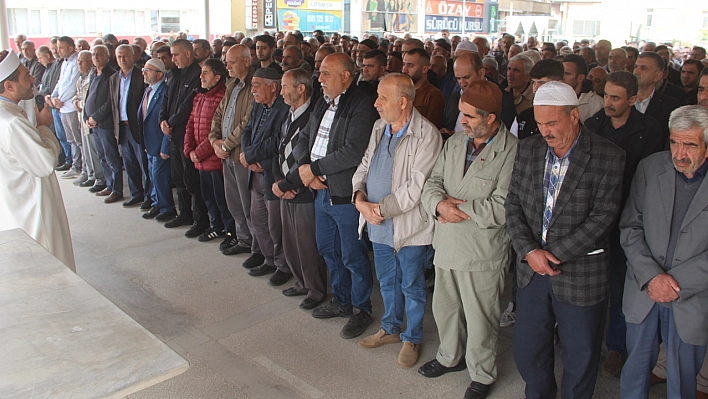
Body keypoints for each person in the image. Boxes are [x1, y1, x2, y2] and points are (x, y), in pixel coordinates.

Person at [504, 81, 625, 399]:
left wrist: (551, 254)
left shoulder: (607, 156)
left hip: (581, 275)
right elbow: (512, 204)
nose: (545, 130)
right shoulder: (528, 149)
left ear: (574, 115)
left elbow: (602, 219)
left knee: (580, 358)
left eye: (552, 122)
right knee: (528, 351)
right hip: (532, 271)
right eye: (541, 123)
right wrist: (530, 251)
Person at [419, 79, 518, 399]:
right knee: (445, 308)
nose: (462, 121)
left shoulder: (512, 151)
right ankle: (450, 357)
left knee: (481, 318)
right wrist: (439, 205)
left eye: (470, 116)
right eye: (462, 114)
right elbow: (432, 183)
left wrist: (458, 208)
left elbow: (503, 206)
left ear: (491, 118)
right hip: (447, 243)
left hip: (482, 252)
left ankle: (482, 374)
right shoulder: (455, 143)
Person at [352, 74, 442, 368]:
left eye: (382, 98)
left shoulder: (427, 135)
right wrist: (359, 198)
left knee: (412, 285)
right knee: (387, 280)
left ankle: (412, 337)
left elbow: (416, 188)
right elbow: (364, 165)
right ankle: (391, 329)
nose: (376, 103)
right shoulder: (379, 127)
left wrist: (378, 209)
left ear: (402, 102)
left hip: (409, 226)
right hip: (377, 222)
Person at [620, 105, 708, 399]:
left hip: (691, 297)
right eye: (674, 142)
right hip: (644, 289)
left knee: (683, 381)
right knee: (634, 370)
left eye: (690, 144)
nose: (679, 154)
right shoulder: (651, 167)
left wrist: (675, 284)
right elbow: (630, 227)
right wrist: (653, 277)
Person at [583, 71, 665, 377]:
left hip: (628, 215)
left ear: (633, 99)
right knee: (592, 285)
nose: (608, 102)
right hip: (594, 215)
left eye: (616, 97)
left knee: (620, 286)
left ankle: (617, 346)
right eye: (605, 95)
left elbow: (650, 179)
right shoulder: (593, 125)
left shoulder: (649, 129)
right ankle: (585, 340)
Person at [293, 53, 378, 339]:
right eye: (320, 73)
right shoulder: (323, 99)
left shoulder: (361, 104)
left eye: (326, 73)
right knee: (328, 249)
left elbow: (352, 151)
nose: (320, 79)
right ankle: (341, 301)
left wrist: (313, 169)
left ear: (345, 76)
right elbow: (303, 136)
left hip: (343, 193)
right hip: (320, 190)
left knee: (352, 255)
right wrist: (307, 169)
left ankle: (361, 309)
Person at [0, 50, 75, 271]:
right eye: (25, 76)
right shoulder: (11, 122)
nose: (33, 79)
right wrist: (43, 126)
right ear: (9, 86)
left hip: (17, 204)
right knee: (51, 270)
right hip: (33, 210)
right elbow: (44, 163)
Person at [271, 68, 327, 310]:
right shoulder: (288, 113)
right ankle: (300, 282)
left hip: (301, 190)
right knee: (291, 241)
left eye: (285, 86)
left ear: (301, 88)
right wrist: (278, 181)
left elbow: (305, 160)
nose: (281, 91)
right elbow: (279, 149)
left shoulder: (312, 116)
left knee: (307, 244)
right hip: (285, 187)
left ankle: (315, 289)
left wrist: (285, 185)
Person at [209, 45, 261, 262]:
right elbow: (219, 114)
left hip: (240, 154)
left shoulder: (253, 86)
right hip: (226, 153)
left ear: (246, 62)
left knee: (248, 204)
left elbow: (247, 123)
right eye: (226, 61)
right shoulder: (232, 85)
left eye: (231, 62)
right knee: (233, 201)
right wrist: (214, 140)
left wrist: (225, 145)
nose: (227, 66)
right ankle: (243, 240)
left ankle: (257, 248)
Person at [240, 67, 291, 285]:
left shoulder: (284, 108)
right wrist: (247, 155)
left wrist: (250, 155)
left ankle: (283, 265)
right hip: (255, 172)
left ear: (273, 86)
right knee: (258, 219)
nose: (252, 90)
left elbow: (277, 141)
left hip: (271, 173)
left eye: (256, 85)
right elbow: (247, 131)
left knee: (275, 225)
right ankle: (269, 259)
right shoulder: (258, 106)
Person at [160, 39, 210, 238]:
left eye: (176, 55)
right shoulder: (174, 75)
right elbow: (166, 99)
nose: (173, 59)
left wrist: (171, 122)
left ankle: (200, 219)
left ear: (188, 54)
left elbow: (187, 105)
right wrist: (163, 120)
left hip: (188, 134)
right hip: (172, 133)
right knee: (178, 176)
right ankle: (184, 213)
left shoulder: (197, 76)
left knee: (192, 180)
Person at [184, 58, 232, 248]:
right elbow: (190, 123)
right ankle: (216, 226)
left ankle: (230, 231)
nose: (200, 76)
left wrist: (200, 151)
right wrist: (189, 149)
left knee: (222, 199)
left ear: (217, 77)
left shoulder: (222, 96)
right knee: (208, 198)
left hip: (214, 160)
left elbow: (218, 130)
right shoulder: (200, 96)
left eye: (205, 73)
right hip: (200, 160)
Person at [110, 44, 150, 209]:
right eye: (119, 56)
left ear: (133, 56)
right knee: (129, 163)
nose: (122, 59)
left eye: (125, 56)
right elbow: (114, 105)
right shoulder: (113, 79)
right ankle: (136, 194)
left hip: (138, 127)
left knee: (144, 165)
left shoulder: (141, 76)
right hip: (122, 127)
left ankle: (149, 197)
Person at [138, 58, 176, 222]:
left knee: (160, 178)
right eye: (144, 70)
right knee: (152, 176)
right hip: (149, 141)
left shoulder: (164, 92)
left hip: (160, 142)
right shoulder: (148, 90)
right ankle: (157, 204)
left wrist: (165, 146)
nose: (144, 73)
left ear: (160, 74)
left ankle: (167, 208)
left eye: (148, 70)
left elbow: (167, 121)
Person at [84, 45, 121, 203]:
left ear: (107, 56)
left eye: (99, 54)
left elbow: (110, 102)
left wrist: (96, 117)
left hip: (105, 123)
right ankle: (109, 184)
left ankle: (117, 189)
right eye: (93, 54)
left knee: (111, 156)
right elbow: (89, 96)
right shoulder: (94, 74)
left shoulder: (111, 74)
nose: (95, 57)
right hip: (94, 124)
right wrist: (87, 116)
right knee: (102, 155)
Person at [72, 50, 105, 190]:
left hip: (91, 118)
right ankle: (91, 174)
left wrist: (81, 105)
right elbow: (77, 94)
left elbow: (90, 99)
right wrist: (75, 102)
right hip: (83, 117)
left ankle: (99, 178)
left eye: (82, 61)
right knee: (86, 148)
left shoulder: (93, 75)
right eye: (78, 61)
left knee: (95, 150)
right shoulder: (81, 77)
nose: (79, 63)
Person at [51, 37, 83, 181]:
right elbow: (60, 82)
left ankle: (81, 167)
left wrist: (60, 100)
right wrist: (53, 97)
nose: (58, 51)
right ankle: (75, 165)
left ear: (70, 48)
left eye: (61, 47)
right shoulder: (64, 63)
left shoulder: (76, 62)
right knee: (70, 139)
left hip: (70, 106)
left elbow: (71, 85)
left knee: (78, 139)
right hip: (62, 106)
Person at [634, 52, 681, 146]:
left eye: (643, 68)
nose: (636, 72)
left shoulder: (670, 106)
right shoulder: (624, 100)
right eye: (636, 66)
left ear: (657, 76)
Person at [402, 48, 445, 129]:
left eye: (410, 65)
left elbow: (431, 129)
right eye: (404, 64)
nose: (404, 69)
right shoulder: (398, 90)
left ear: (424, 69)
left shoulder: (434, 95)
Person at [563, 54, 604, 122]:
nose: (562, 77)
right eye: (562, 73)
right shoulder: (554, 96)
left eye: (567, 74)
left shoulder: (597, 104)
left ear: (580, 78)